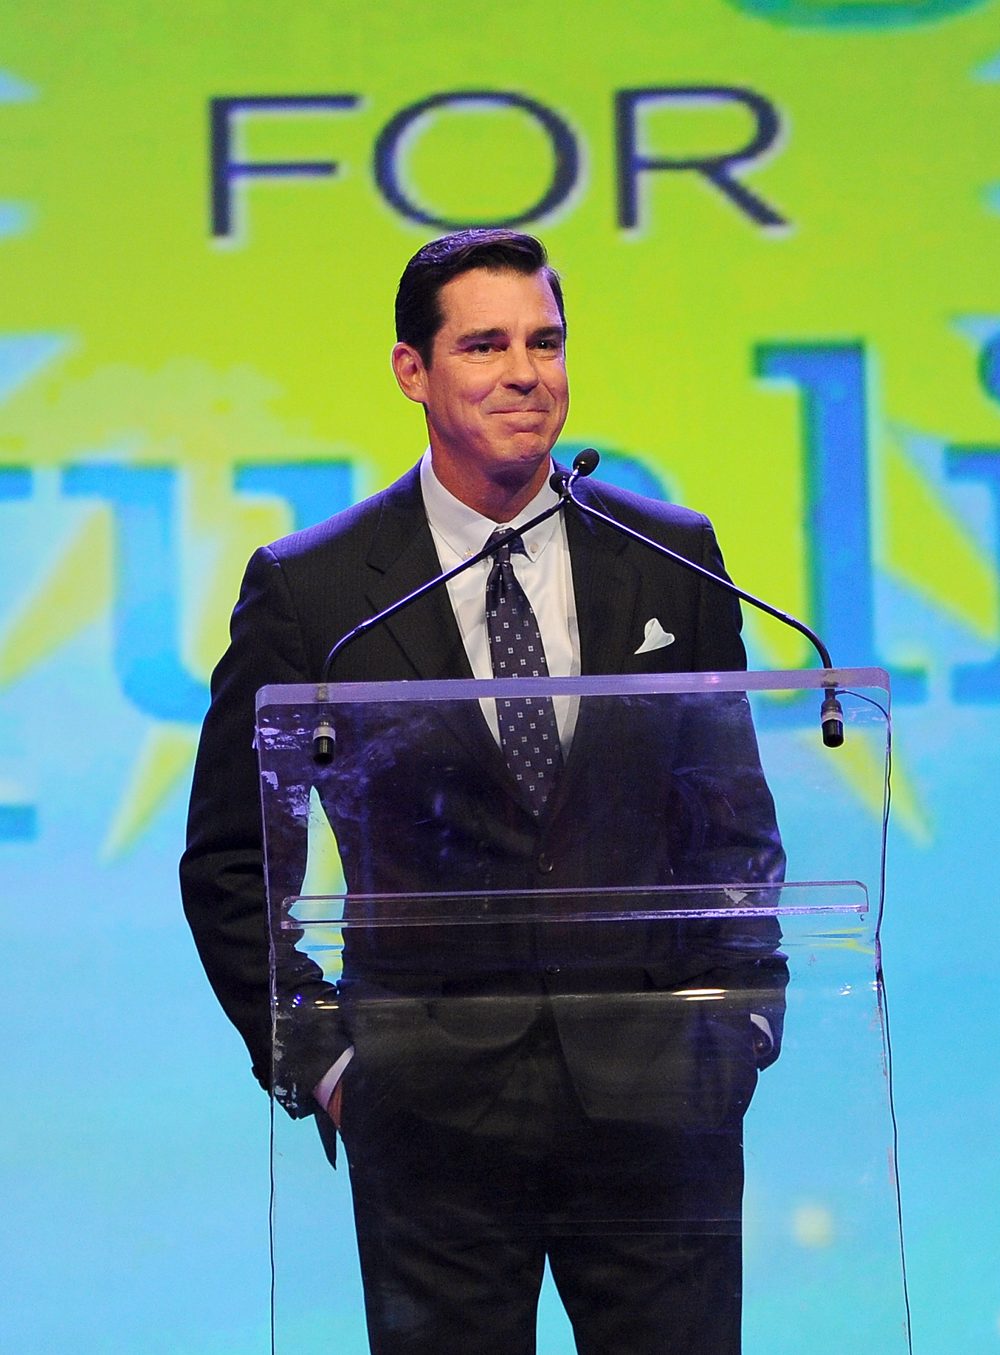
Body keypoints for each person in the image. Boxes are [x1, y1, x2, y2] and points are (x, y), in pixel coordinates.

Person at [181, 228, 787, 1355]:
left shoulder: (673, 558)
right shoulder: (313, 590)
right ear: (412, 370)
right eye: (486, 343)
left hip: (659, 1105)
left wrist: (741, 1018)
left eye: (547, 341)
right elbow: (230, 859)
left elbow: (729, 823)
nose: (525, 371)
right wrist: (323, 1058)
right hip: (427, 1114)